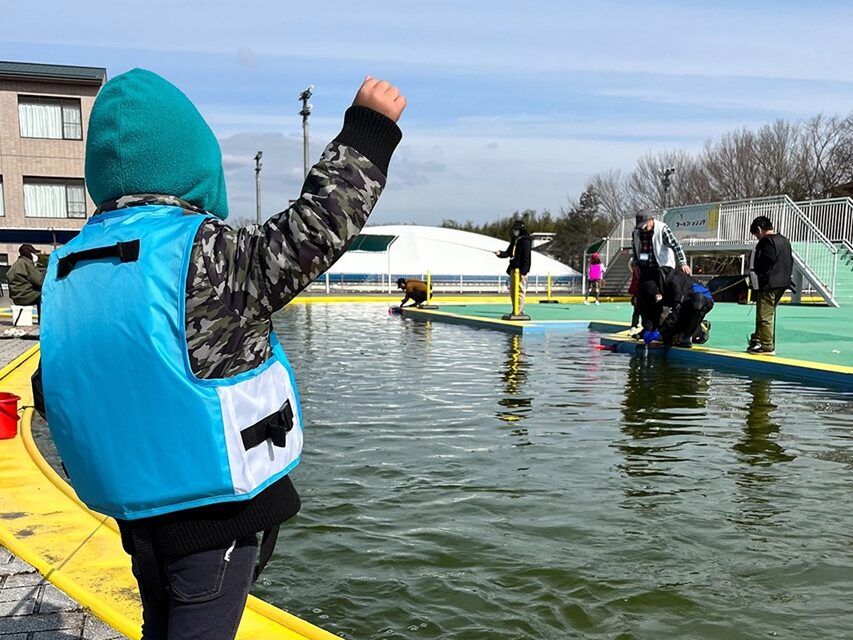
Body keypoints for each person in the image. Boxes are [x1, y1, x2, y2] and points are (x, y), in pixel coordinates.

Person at [36, 69, 405, 640]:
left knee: (159, 620)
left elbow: (52, 386)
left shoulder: (70, 268)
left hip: (136, 516)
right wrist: (368, 131)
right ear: (195, 169)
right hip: (213, 518)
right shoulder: (207, 255)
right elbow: (312, 231)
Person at [746, 215, 793, 355]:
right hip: (783, 282)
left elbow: (765, 262)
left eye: (756, 234)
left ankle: (766, 346)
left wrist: (757, 277)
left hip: (769, 283)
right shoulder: (784, 240)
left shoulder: (766, 242)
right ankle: (757, 338)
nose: (757, 237)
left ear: (759, 229)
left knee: (764, 315)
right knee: (769, 312)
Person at [636, 268, 714, 347]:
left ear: (658, 291)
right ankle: (690, 329)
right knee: (668, 339)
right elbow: (651, 312)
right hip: (684, 304)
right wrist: (648, 329)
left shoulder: (675, 283)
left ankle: (699, 329)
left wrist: (659, 331)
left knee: (680, 339)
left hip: (701, 301)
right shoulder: (651, 286)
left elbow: (676, 312)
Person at [631, 210, 690, 294]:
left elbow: (676, 245)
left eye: (644, 226)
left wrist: (683, 263)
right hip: (644, 267)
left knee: (663, 293)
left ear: (651, 220)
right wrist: (636, 264)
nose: (643, 229)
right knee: (644, 293)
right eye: (640, 227)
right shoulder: (636, 232)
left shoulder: (662, 229)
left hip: (662, 267)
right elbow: (635, 249)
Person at [494, 219, 532, 315]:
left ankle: (520, 311)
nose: (515, 231)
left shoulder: (526, 241)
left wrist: (524, 272)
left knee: (520, 291)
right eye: (514, 229)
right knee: (512, 291)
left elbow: (527, 258)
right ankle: (515, 309)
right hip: (513, 269)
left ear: (521, 230)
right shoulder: (514, 240)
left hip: (520, 270)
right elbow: (508, 253)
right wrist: (500, 253)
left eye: (516, 229)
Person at [7, 243, 44, 321]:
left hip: (17, 297)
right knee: (44, 297)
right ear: (30, 253)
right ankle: (43, 321)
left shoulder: (18, 263)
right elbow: (39, 282)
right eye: (34, 252)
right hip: (25, 296)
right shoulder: (27, 264)